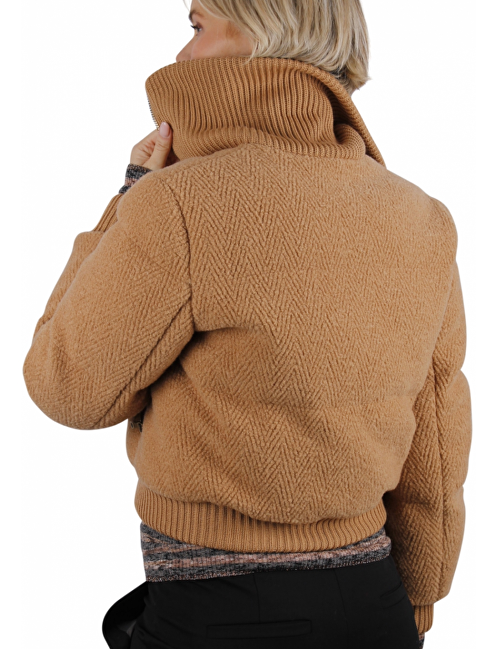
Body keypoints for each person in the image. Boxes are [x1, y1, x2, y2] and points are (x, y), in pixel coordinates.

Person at [22, 1, 472, 648]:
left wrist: (128, 197)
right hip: (375, 603)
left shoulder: (180, 202)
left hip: (222, 612)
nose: (181, 54)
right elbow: (437, 438)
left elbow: (67, 388)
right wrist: (419, 601)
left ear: (264, 30)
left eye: (196, 25)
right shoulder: (421, 215)